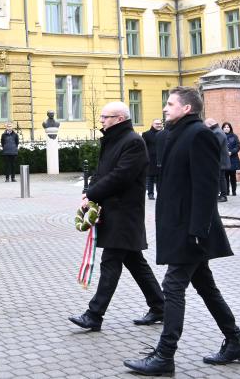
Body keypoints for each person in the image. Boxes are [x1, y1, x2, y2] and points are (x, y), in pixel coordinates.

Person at [124, 87, 240, 376]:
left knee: (173, 286)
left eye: (170, 104)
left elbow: (206, 187)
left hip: (191, 229)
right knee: (205, 286)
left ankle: (165, 355)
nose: (165, 108)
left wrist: (198, 229)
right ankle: (236, 342)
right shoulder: (173, 134)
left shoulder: (199, 135)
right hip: (180, 226)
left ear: (187, 109)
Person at [69, 102, 164, 332]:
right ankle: (160, 307)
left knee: (110, 263)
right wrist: (88, 193)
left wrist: (93, 192)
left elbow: (120, 177)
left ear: (119, 118)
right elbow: (102, 172)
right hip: (113, 211)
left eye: (105, 117)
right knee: (135, 262)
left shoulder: (133, 142)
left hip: (124, 213)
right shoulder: (113, 139)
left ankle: (94, 314)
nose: (101, 120)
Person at [204, 118, 230, 203]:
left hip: (220, 160)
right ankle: (220, 195)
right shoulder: (217, 131)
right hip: (220, 160)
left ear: (210, 124)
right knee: (220, 177)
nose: (205, 127)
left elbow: (215, 146)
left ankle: (223, 196)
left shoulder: (217, 132)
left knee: (221, 178)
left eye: (206, 125)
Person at [141, 119, 163, 200]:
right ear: (152, 124)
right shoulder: (146, 134)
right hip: (150, 159)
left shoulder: (163, 134)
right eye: (157, 123)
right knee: (150, 177)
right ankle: (150, 194)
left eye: (160, 124)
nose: (159, 125)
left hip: (161, 158)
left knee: (160, 178)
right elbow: (143, 147)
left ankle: (160, 193)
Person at [221, 122, 240, 196]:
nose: (226, 128)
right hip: (224, 159)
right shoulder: (221, 136)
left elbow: (238, 146)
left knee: (233, 176)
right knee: (225, 176)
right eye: (225, 127)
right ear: (222, 128)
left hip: (233, 158)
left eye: (228, 127)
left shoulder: (234, 136)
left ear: (230, 128)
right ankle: (226, 191)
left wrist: (231, 152)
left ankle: (234, 190)